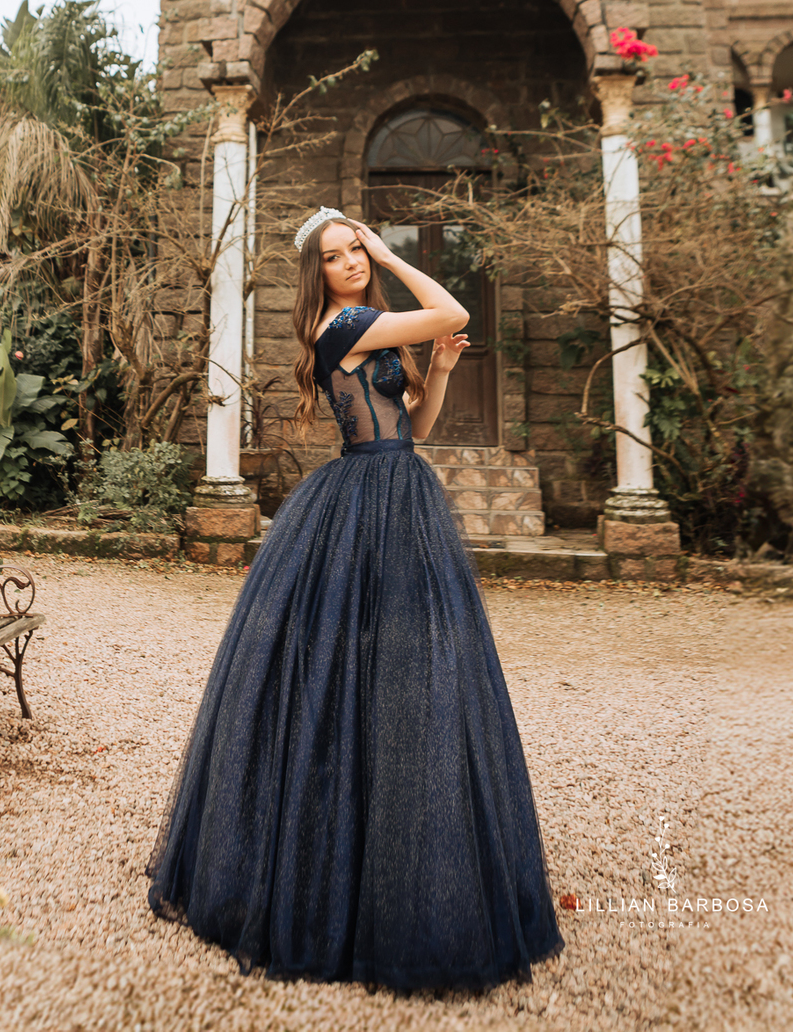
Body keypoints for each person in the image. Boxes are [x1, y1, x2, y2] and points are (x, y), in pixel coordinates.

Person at [146, 209, 564, 992]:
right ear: (322, 274)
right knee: (348, 670)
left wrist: (436, 370)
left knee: (402, 670)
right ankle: (326, 864)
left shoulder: (375, 332)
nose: (349, 264)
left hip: (398, 485)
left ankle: (391, 839)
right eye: (336, 257)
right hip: (364, 500)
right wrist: (387, 248)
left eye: (354, 253)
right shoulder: (345, 326)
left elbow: (414, 426)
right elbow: (457, 308)